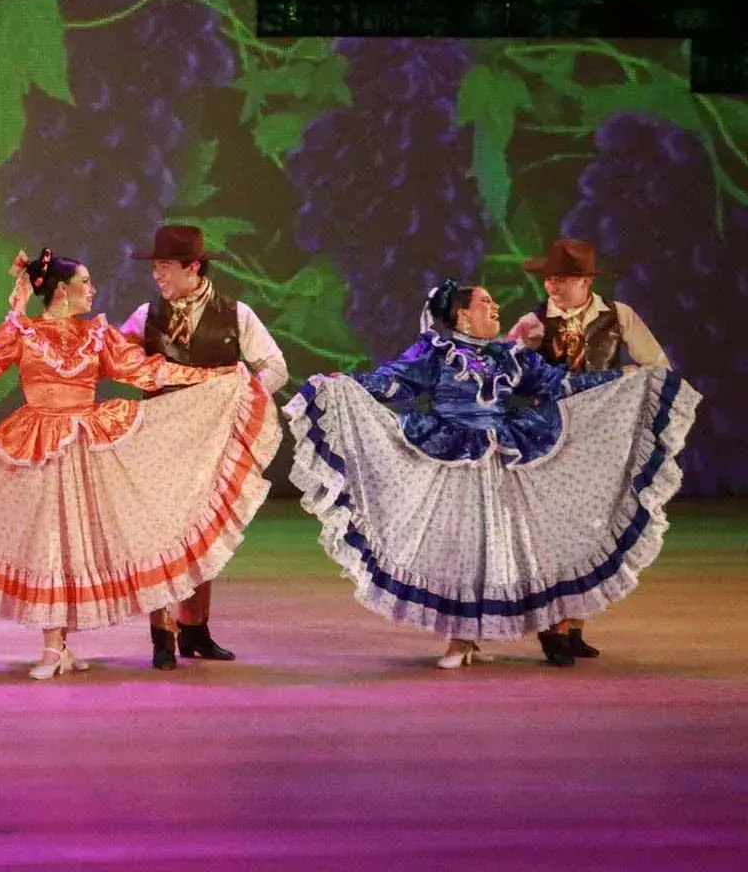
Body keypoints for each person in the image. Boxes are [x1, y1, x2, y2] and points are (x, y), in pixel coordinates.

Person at [0, 249, 281, 678]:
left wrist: (215, 377)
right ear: (62, 291)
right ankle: (52, 647)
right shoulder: (22, 332)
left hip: (86, 449)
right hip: (41, 447)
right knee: (49, 547)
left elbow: (149, 372)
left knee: (74, 549)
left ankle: (61, 646)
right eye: (85, 283)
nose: (92, 290)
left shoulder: (98, 336)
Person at [284, 279, 700, 669]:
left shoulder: (509, 356)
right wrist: (350, 383)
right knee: (462, 550)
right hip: (454, 460)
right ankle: (460, 639)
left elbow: (558, 385)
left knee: (497, 549)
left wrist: (619, 376)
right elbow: (393, 381)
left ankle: (482, 636)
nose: (495, 306)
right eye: (485, 302)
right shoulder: (437, 353)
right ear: (463, 315)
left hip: (502, 458)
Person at [118, 225, 287, 667]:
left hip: (210, 445)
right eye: (155, 267)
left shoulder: (235, 314)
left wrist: (241, 399)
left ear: (192, 267)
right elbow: (115, 358)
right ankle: (162, 635)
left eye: (165, 267)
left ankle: (195, 629)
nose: (157, 275)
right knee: (160, 534)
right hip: (159, 442)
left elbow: (275, 367)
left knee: (201, 533)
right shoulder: (146, 315)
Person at [504, 237, 672, 659]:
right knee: (555, 532)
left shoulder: (618, 316)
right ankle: (553, 628)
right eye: (548, 279)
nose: (551, 287)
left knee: (592, 528)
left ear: (584, 282)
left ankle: (576, 624)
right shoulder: (534, 323)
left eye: (560, 279)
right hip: (552, 438)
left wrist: (629, 386)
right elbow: (505, 374)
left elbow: (657, 365)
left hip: (600, 439)